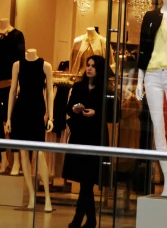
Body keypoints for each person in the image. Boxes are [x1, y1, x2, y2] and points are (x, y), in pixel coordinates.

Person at [63, 55, 107, 228]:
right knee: (84, 181)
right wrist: (74, 109)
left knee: (87, 181)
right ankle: (90, 220)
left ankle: (78, 220)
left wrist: (96, 113)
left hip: (95, 137)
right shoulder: (79, 86)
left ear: (99, 69)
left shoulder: (104, 89)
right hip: (80, 135)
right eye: (88, 65)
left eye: (93, 66)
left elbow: (112, 113)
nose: (89, 68)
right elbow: (68, 108)